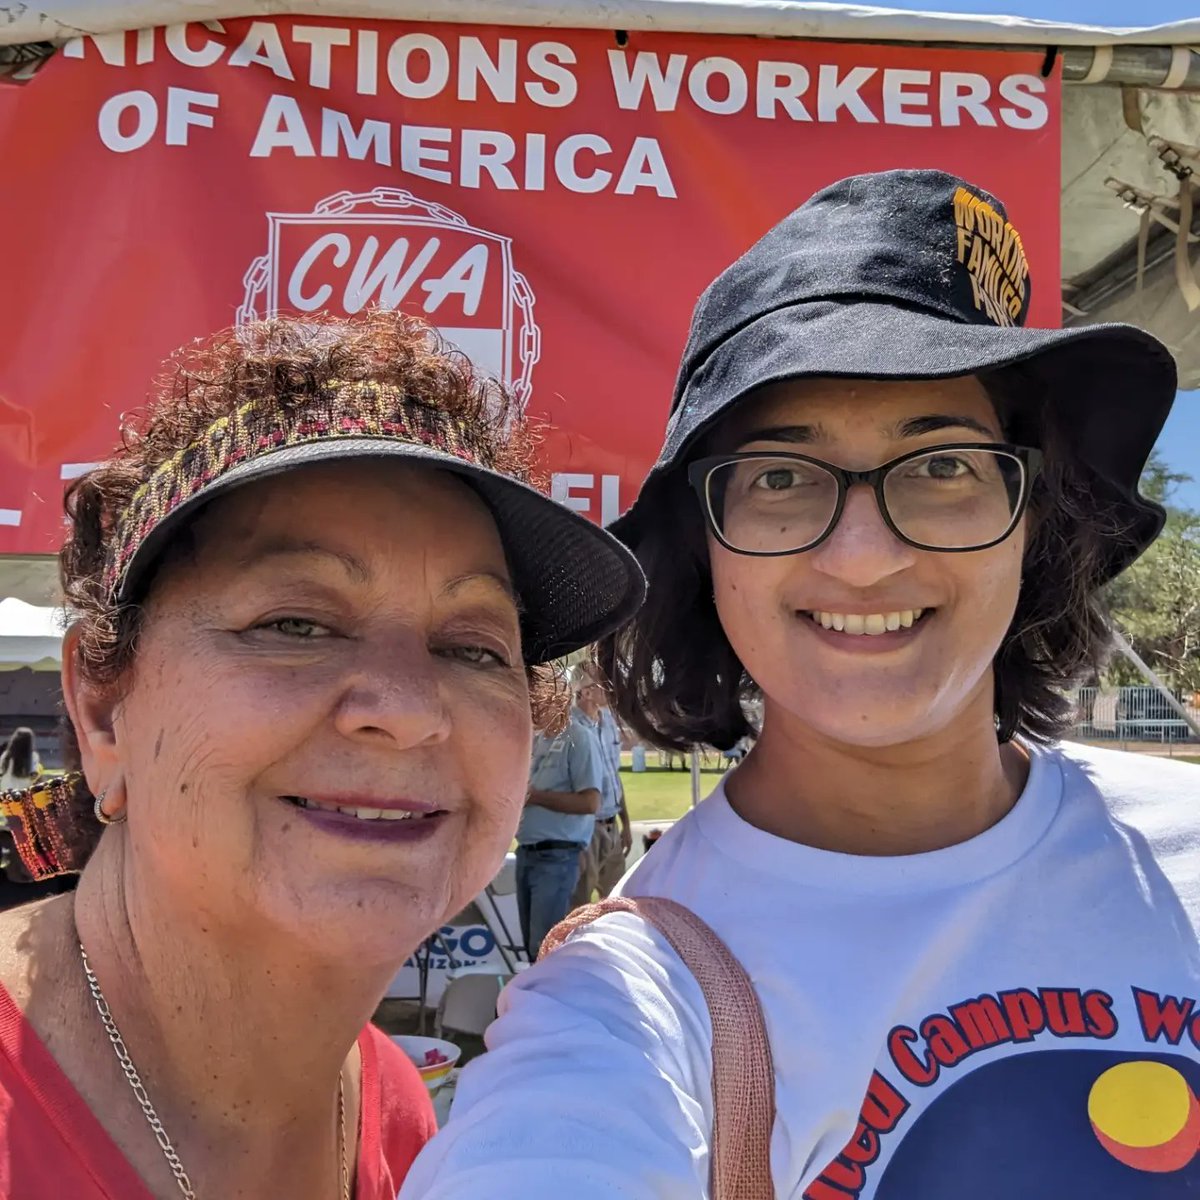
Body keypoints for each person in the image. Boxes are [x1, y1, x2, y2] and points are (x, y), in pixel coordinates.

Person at [400, 170, 1200, 1198]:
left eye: (942, 465)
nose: (863, 559)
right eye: (780, 477)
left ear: (1032, 516)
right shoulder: (631, 999)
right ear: (706, 548)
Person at [0, 310, 643, 1199]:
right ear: (104, 710)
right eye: (296, 624)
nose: (408, 711)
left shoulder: (404, 1120)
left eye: (473, 647)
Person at [516, 676, 604, 960]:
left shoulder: (578, 738)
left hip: (557, 856)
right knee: (532, 947)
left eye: (538, 697)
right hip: (527, 852)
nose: (533, 705)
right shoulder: (538, 740)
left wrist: (535, 796)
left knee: (545, 948)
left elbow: (590, 802)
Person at [570, 662, 632, 906]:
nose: (612, 688)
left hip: (611, 828)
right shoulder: (569, 731)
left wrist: (625, 824)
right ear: (586, 692)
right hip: (583, 834)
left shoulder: (608, 723)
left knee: (618, 906)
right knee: (578, 910)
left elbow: (613, 775)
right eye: (604, 684)